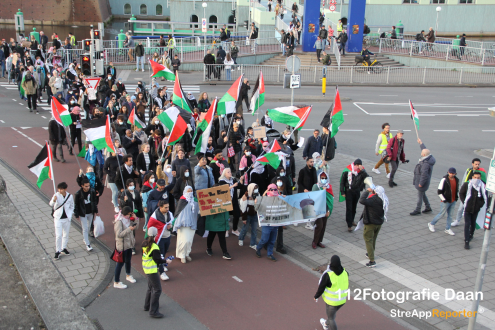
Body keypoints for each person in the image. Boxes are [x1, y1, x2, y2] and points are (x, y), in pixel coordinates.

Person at [142, 227, 170, 318]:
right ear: (156, 234)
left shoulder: (144, 243)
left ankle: (147, 306)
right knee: (157, 289)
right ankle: (153, 311)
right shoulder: (154, 247)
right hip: (152, 270)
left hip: (146, 268)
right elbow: (157, 260)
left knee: (150, 288)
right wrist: (166, 261)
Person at [314, 255, 349, 330]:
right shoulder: (345, 272)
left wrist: (316, 296)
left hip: (332, 301)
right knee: (331, 316)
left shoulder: (328, 275)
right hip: (342, 300)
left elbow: (321, 287)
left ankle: (327, 324)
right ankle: (326, 324)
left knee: (331, 319)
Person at [452, 158, 486, 227]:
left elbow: (483, 183)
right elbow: (465, 180)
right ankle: (457, 220)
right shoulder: (468, 170)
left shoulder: (481, 172)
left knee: (473, 209)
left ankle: (472, 222)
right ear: (472, 164)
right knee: (461, 207)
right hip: (466, 191)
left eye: (478, 164)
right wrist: (462, 188)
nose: (477, 165)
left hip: (475, 193)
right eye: (476, 164)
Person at [360, 185, 388, 268]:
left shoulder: (373, 200)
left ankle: (372, 260)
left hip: (371, 223)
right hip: (379, 223)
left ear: (375, 192)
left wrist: (367, 191)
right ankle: (370, 253)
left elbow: (362, 200)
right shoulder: (383, 199)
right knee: (373, 239)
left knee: (368, 239)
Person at [146, 200, 174, 281]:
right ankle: (162, 272)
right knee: (161, 254)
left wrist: (170, 226)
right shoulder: (155, 216)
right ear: (160, 207)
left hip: (167, 236)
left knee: (164, 252)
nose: (168, 209)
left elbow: (171, 223)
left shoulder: (169, 214)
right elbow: (150, 226)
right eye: (166, 207)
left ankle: (161, 264)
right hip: (159, 239)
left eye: (168, 207)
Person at [340, 159, 368, 232]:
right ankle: (349, 225)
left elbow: (367, 178)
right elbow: (342, 182)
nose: (357, 167)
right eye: (357, 165)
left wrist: (362, 171)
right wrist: (342, 192)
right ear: (354, 165)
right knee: (349, 208)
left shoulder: (361, 171)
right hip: (349, 191)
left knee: (354, 207)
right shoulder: (347, 170)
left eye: (359, 166)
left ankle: (352, 220)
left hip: (357, 191)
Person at [460, 172, 487, 250]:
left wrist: (480, 204)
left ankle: (471, 234)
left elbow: (484, 197)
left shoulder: (482, 186)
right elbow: (461, 193)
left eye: (478, 178)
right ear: (472, 177)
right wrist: (465, 202)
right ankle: (466, 241)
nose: (477, 179)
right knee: (467, 224)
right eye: (475, 177)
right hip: (467, 208)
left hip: (475, 209)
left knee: (473, 222)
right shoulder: (467, 184)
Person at [255, 184, 282, 261]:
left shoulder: (279, 198)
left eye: (275, 189)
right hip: (266, 223)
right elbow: (257, 207)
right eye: (271, 189)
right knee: (264, 239)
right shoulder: (265, 199)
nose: (273, 191)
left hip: (275, 223)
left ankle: (270, 254)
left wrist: (285, 198)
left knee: (272, 240)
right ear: (268, 190)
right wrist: (258, 201)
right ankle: (258, 248)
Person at [428, 168, 458, 236]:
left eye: (453, 173)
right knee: (441, 214)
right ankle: (431, 223)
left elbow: (456, 189)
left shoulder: (456, 180)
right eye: (450, 173)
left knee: (450, 216)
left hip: (453, 200)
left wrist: (456, 198)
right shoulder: (444, 180)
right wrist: (443, 199)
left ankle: (447, 228)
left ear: (455, 174)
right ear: (448, 172)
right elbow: (439, 191)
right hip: (446, 201)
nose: (451, 174)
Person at [113, 206, 138, 289]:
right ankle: (116, 281)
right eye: (129, 214)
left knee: (128, 261)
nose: (130, 216)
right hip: (122, 246)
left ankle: (128, 275)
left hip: (129, 244)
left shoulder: (129, 220)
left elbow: (136, 228)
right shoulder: (119, 222)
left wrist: (136, 219)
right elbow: (119, 234)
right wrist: (129, 229)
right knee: (120, 264)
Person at [410, 139, 436, 216]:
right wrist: (421, 143)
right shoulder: (429, 157)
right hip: (423, 182)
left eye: (422, 153)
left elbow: (424, 175)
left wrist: (421, 183)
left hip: (422, 182)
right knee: (422, 194)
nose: (421, 153)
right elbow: (425, 150)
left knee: (419, 196)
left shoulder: (425, 164)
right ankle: (428, 207)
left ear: (424, 155)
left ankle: (418, 209)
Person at [173, 186, 198, 263]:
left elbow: (198, 210)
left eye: (191, 191)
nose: (190, 192)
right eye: (188, 191)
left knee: (189, 240)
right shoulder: (182, 200)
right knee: (184, 240)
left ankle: (187, 253)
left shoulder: (195, 201)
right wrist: (178, 222)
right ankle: (181, 255)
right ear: (185, 191)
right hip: (183, 224)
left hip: (192, 223)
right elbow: (178, 212)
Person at [50, 182, 74, 260]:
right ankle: (57, 251)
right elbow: (51, 204)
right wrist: (54, 200)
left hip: (66, 218)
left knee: (66, 234)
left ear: (65, 189)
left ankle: (64, 248)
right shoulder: (56, 195)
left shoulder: (70, 196)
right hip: (58, 218)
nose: (59, 190)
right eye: (59, 189)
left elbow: (72, 206)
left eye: (61, 189)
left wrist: (70, 214)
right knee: (59, 235)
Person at [74, 177, 99, 251]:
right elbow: (76, 204)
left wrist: (96, 211)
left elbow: (94, 202)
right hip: (83, 213)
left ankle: (85, 239)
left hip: (90, 212)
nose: (88, 187)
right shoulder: (78, 194)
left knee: (88, 227)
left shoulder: (92, 191)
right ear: (82, 186)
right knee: (85, 228)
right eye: (86, 186)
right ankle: (87, 244)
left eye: (88, 186)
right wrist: (76, 214)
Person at [219, 168, 243, 236]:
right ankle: (226, 230)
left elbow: (240, 187)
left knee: (237, 215)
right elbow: (223, 189)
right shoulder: (222, 181)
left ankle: (234, 229)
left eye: (230, 171)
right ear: (224, 173)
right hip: (226, 201)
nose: (230, 173)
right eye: (228, 172)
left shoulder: (234, 179)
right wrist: (232, 186)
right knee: (226, 216)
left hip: (234, 200)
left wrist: (241, 180)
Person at [311, 172, 333, 249]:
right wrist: (322, 192)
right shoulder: (316, 186)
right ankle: (315, 241)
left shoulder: (329, 187)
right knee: (319, 225)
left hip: (325, 209)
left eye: (325, 178)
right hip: (318, 209)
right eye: (322, 178)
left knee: (323, 225)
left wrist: (328, 210)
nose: (323, 180)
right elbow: (314, 198)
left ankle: (319, 241)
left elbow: (330, 200)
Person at [239, 183, 259, 249]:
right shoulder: (245, 197)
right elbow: (243, 208)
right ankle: (241, 239)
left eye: (256, 189)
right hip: (247, 216)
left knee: (254, 230)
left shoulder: (258, 195)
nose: (256, 190)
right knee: (245, 229)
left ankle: (253, 244)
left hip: (255, 215)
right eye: (254, 189)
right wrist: (244, 218)